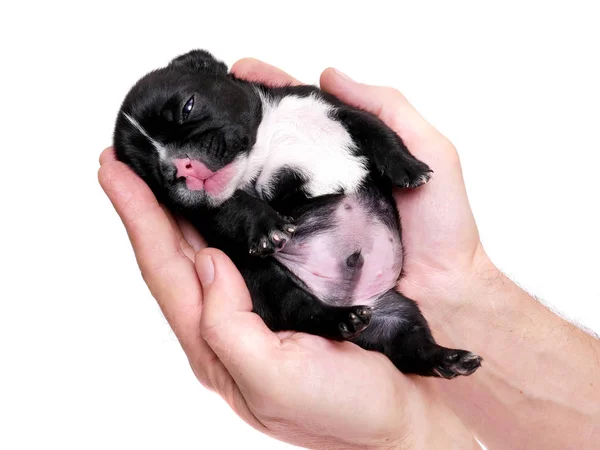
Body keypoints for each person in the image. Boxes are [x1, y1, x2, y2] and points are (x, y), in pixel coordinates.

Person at [98, 58, 600, 450]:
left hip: (384, 256)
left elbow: (361, 126)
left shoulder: (301, 105)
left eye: (186, 113)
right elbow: (231, 222)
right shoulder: (229, 202)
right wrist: (254, 224)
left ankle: (424, 350)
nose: (182, 165)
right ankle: (377, 337)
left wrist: (398, 161)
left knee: (400, 313)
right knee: (370, 313)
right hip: (309, 278)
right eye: (164, 173)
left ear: (208, 70)